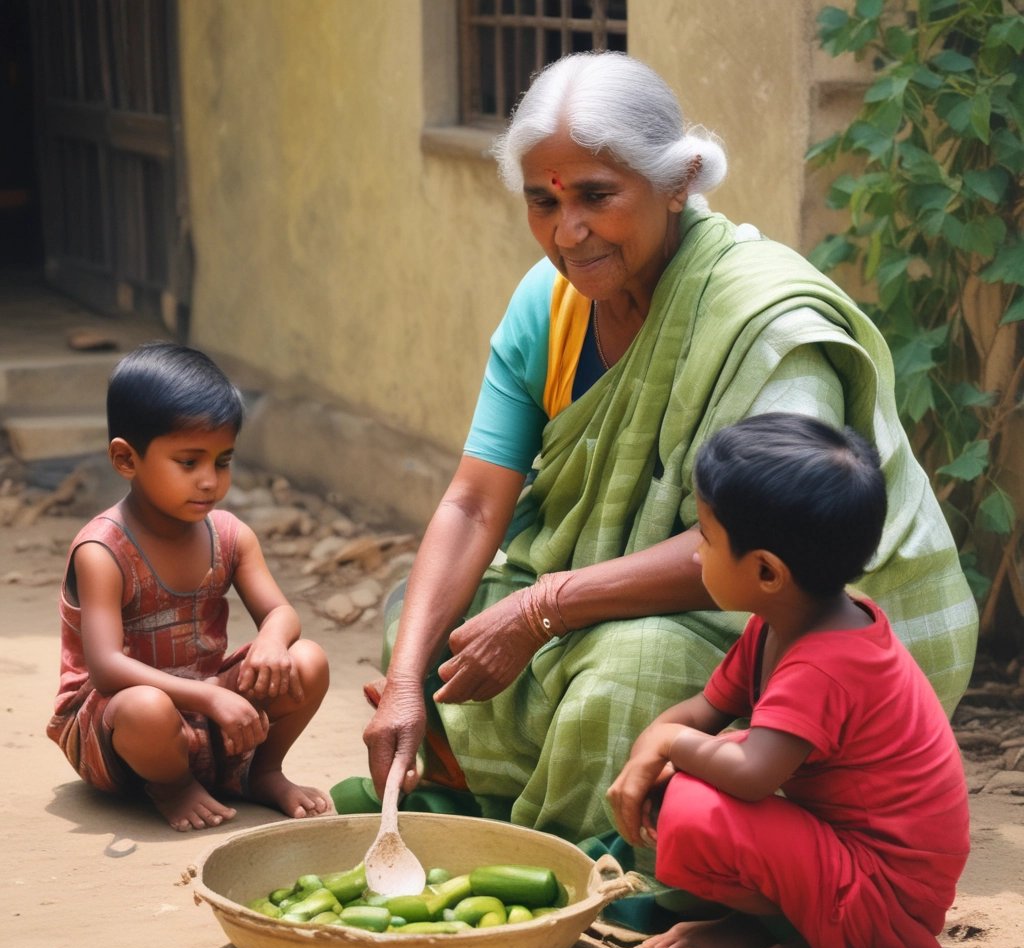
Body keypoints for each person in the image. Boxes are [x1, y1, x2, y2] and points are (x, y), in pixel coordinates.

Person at [356, 51, 976, 854]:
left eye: (595, 197)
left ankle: (632, 849)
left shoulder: (763, 321)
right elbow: (475, 502)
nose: (566, 232)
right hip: (590, 584)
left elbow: (773, 542)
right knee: (419, 620)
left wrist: (543, 608)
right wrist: (407, 682)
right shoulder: (548, 307)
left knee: (627, 676)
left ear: (678, 181)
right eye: (542, 202)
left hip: (761, 609)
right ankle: (537, 781)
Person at [606, 412, 970, 948]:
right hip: (841, 856)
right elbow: (706, 711)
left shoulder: (827, 664)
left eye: (706, 536)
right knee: (679, 779)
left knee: (696, 808)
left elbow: (750, 772)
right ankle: (778, 923)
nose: (697, 555)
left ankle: (859, 942)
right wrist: (654, 748)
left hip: (888, 895)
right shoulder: (780, 622)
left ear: (768, 572)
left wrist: (669, 741)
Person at [47, 342, 332, 832]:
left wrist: (269, 642)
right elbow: (108, 669)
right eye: (189, 462)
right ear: (126, 459)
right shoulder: (103, 551)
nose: (209, 481)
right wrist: (208, 699)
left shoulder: (230, 536)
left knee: (307, 661)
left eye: (222, 461)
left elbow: (281, 614)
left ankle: (259, 773)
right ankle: (172, 786)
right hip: (119, 729)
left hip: (206, 710)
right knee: (146, 706)